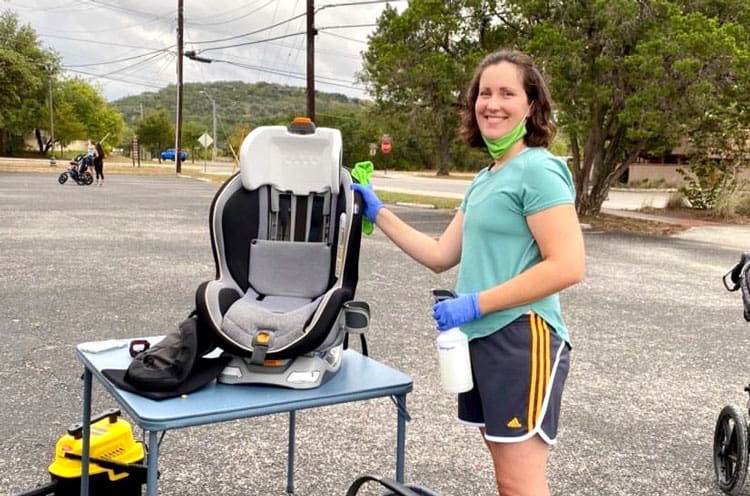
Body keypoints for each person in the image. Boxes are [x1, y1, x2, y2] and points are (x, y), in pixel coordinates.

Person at [352, 49, 585, 496]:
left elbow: (568, 265)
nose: (491, 103)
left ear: (531, 105)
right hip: (480, 338)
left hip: (523, 338)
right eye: (484, 93)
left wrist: (476, 303)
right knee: (505, 478)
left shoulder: (539, 169)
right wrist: (377, 211)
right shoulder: (487, 177)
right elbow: (441, 254)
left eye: (506, 93)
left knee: (521, 484)